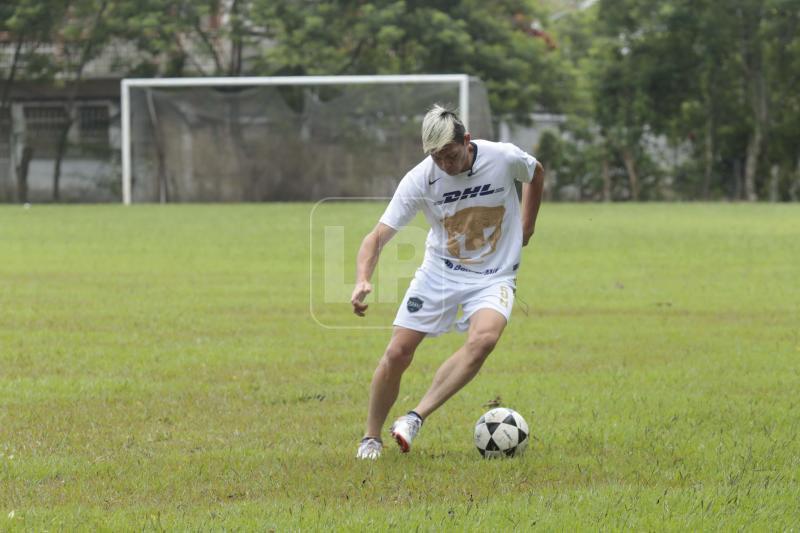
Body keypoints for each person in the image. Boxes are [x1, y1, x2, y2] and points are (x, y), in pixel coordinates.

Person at [352, 104, 544, 459]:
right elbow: (376, 237)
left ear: (466, 141)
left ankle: (414, 417)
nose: (445, 165)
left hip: (494, 275)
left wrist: (527, 226)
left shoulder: (502, 158)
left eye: (451, 155)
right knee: (397, 352)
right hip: (439, 274)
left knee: (484, 339)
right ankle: (370, 438)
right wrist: (363, 279)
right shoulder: (421, 179)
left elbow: (535, 173)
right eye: (437, 158)